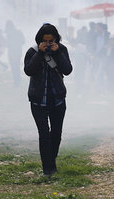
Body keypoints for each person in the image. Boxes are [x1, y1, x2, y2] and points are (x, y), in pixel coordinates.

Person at [24, 23, 72, 176]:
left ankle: (52, 161)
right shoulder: (32, 51)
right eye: (45, 41)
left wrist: (57, 54)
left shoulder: (62, 50)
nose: (49, 44)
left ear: (56, 40)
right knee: (44, 134)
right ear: (40, 40)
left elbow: (68, 70)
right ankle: (47, 168)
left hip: (57, 98)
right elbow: (28, 70)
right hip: (38, 100)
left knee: (56, 133)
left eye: (51, 41)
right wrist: (40, 54)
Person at [5, 20, 25, 86]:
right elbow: (23, 41)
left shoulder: (10, 34)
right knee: (16, 66)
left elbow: (7, 44)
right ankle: (17, 80)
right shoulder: (18, 32)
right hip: (17, 51)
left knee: (14, 66)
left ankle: (17, 81)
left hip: (13, 52)